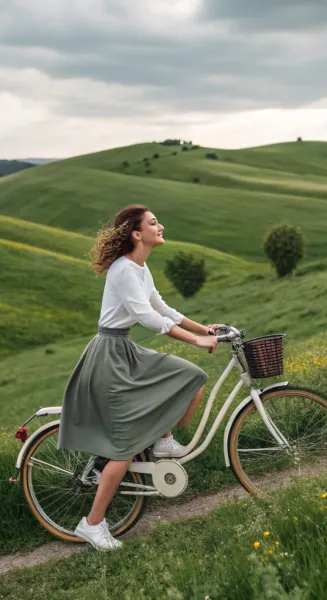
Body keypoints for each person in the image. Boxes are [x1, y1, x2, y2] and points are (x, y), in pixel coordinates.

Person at [57, 204, 222, 551]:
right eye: (152, 222)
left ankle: (161, 439)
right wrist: (195, 340)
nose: (160, 226)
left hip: (125, 350)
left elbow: (162, 307)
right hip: (110, 356)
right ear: (136, 233)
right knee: (125, 446)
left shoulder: (140, 268)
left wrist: (203, 327)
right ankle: (92, 524)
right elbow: (146, 317)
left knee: (192, 376)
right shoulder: (122, 270)